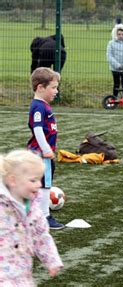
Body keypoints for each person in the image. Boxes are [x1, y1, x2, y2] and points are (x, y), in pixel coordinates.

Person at [0, 149, 63, 286]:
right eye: (33, 180)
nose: (39, 185)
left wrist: (52, 260)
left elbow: (41, 236)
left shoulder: (34, 210)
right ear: (13, 180)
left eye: (39, 180)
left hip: (22, 273)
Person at [27, 67, 65, 230]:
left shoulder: (42, 105)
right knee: (44, 185)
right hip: (40, 154)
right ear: (40, 88)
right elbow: (37, 129)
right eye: (53, 87)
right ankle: (44, 216)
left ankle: (33, 213)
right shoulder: (39, 107)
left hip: (39, 153)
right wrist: (46, 150)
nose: (56, 91)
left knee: (40, 184)